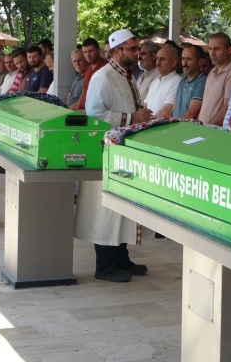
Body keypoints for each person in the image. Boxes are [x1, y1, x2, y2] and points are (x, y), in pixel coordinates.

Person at [76, 28, 153, 283]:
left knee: (121, 209)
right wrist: (133, 118)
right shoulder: (104, 76)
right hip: (106, 152)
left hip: (123, 152)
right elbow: (94, 115)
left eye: (137, 48)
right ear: (117, 51)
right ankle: (105, 265)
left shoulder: (127, 75)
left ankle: (121, 258)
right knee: (105, 211)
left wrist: (140, 115)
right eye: (132, 48)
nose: (137, 52)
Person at [198, 32, 231, 125]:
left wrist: (206, 127)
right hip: (204, 129)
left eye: (217, 49)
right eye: (210, 49)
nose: (212, 53)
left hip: (216, 132)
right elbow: (204, 105)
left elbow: (227, 108)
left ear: (229, 49)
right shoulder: (211, 72)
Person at [144, 46, 180, 118]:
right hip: (148, 125)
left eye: (162, 59)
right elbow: (145, 106)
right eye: (157, 58)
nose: (157, 63)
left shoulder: (177, 82)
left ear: (174, 62)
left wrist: (147, 122)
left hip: (159, 126)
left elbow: (166, 111)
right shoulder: (155, 82)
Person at [173, 44, 205, 119]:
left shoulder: (202, 81)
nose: (185, 63)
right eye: (183, 59)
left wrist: (177, 128)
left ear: (200, 62)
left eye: (189, 59)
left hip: (185, 128)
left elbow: (192, 113)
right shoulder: (183, 81)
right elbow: (173, 109)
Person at [76, 37, 107, 112]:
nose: (88, 55)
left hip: (95, 113)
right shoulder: (87, 69)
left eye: (91, 51)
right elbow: (84, 92)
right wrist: (77, 109)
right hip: (83, 112)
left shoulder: (105, 68)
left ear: (98, 51)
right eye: (85, 52)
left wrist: (87, 111)